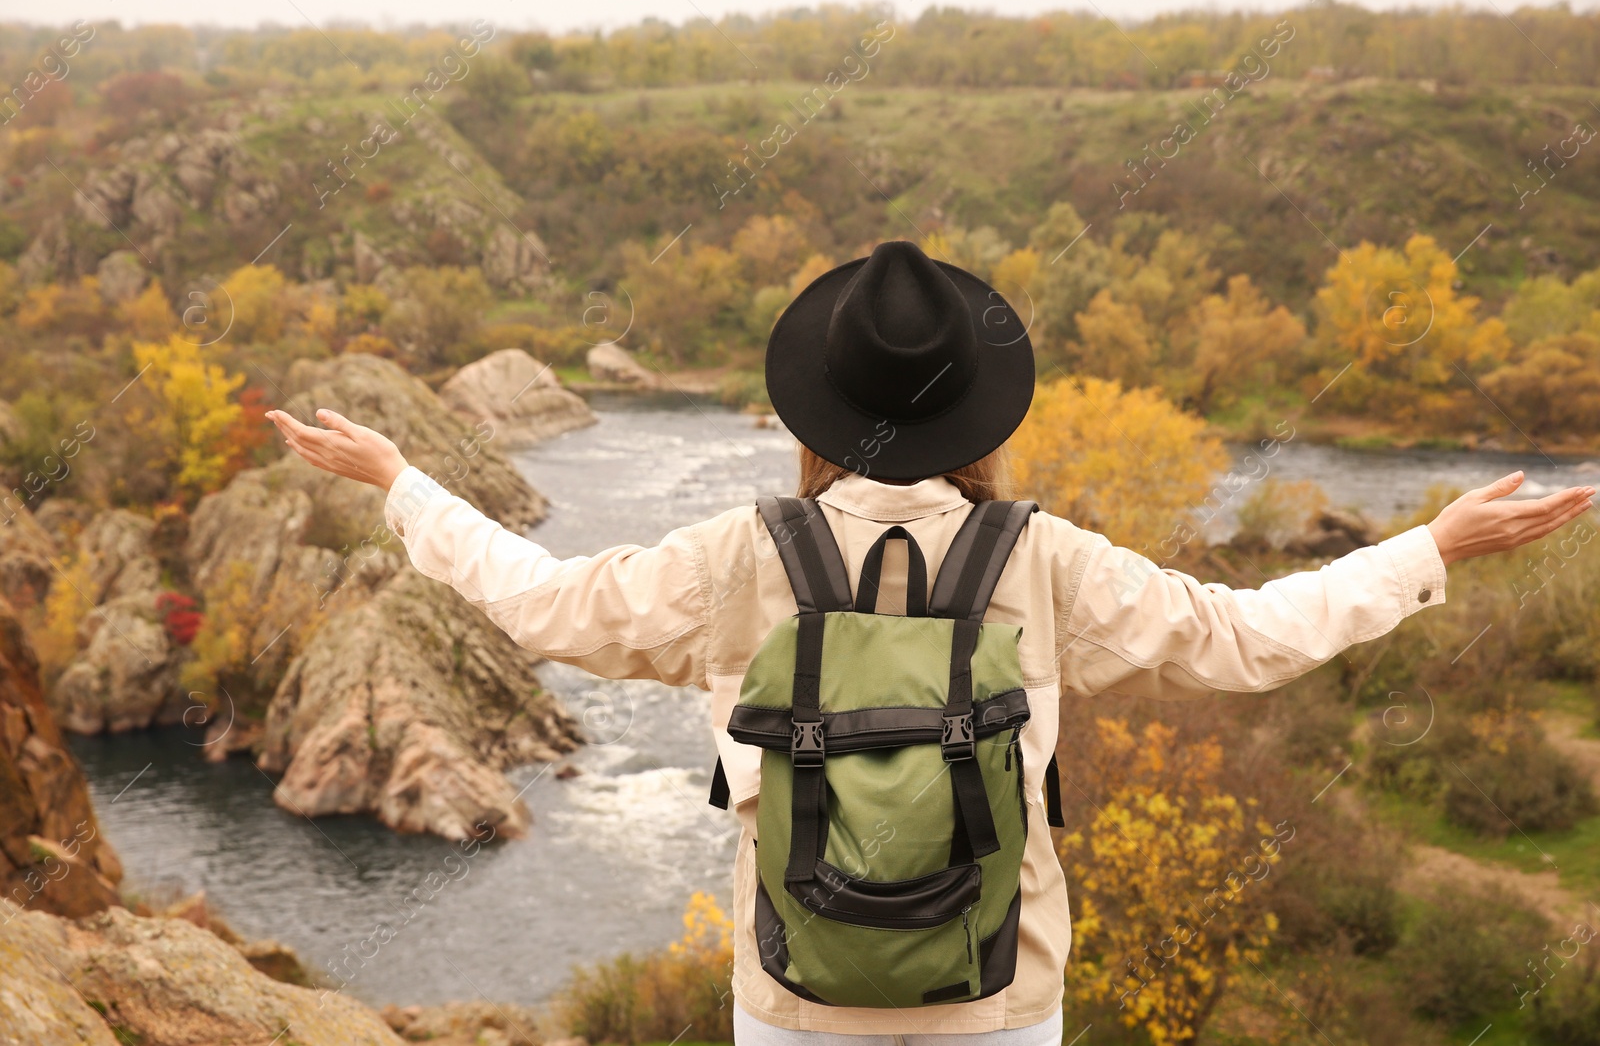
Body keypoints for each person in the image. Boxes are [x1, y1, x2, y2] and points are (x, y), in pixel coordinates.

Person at [268, 240, 1593, 1044]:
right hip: (998, 992)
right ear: (977, 414)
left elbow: (543, 600)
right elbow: (1247, 638)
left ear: (817, 405)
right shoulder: (1043, 558)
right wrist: (1432, 548)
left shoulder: (734, 558)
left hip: (795, 990)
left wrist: (401, 482)